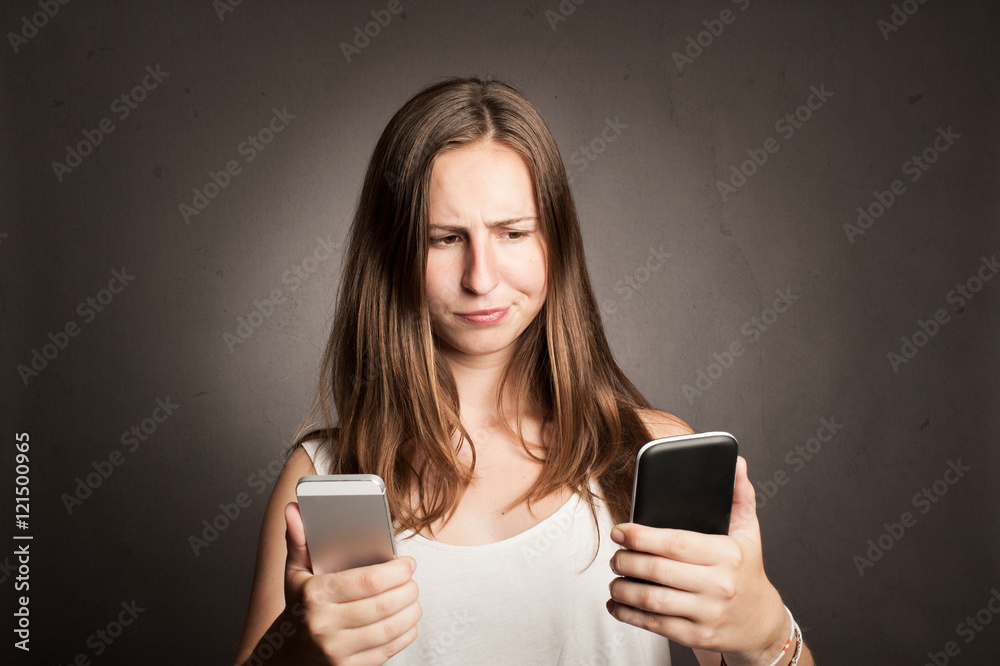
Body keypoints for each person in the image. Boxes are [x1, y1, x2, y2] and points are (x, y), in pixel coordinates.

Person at [233, 76, 815, 666]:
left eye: (513, 233)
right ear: (392, 255)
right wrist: (294, 655)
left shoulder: (650, 454)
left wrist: (766, 632)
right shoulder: (328, 479)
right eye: (443, 238)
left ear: (554, 244)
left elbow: (749, 639)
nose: (480, 277)